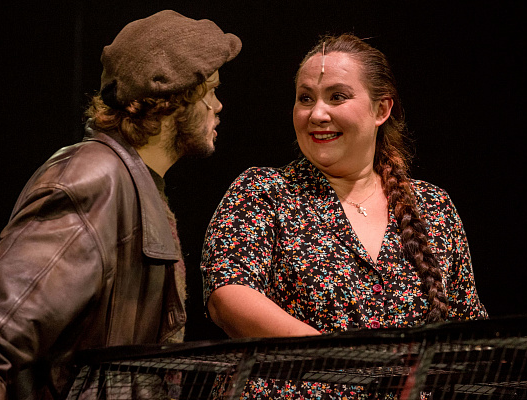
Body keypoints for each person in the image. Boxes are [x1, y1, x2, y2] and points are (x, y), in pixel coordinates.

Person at [0, 10, 241, 400]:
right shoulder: (94, 180)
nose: (218, 105)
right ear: (170, 100)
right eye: (210, 91)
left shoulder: (136, 183)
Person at [201, 34, 486, 397]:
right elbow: (229, 296)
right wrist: (346, 362)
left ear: (381, 110)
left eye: (337, 97)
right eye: (306, 98)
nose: (317, 114)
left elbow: (467, 329)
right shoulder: (264, 191)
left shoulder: (433, 206)